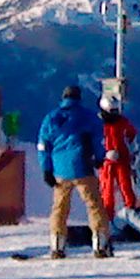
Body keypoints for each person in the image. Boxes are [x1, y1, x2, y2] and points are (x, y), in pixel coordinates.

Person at [36, 85, 112, 259]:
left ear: (63, 97)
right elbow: (98, 139)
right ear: (79, 98)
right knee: (94, 205)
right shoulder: (88, 116)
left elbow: (42, 146)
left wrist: (46, 169)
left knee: (59, 208)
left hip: (59, 170)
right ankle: (100, 244)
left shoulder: (51, 117)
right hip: (83, 167)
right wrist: (99, 158)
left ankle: (57, 246)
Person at [98, 95, 139, 221]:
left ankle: (132, 211)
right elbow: (93, 140)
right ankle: (108, 216)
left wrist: (133, 151)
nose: (115, 114)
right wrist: (104, 153)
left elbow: (132, 135)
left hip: (122, 158)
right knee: (107, 190)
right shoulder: (98, 124)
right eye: (112, 111)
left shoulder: (122, 121)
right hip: (107, 162)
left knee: (126, 186)